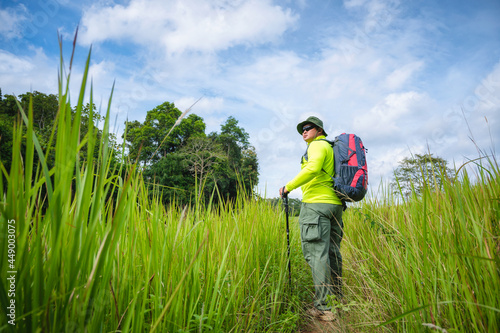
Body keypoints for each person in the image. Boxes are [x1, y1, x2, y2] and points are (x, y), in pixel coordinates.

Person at [279, 116, 344, 322]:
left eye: (308, 128)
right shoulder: (333, 149)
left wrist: (288, 186)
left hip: (316, 206)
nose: (304, 132)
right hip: (335, 205)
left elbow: (313, 168)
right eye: (302, 130)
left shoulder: (317, 146)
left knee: (317, 255)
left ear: (319, 130)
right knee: (332, 252)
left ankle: (323, 308)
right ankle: (339, 301)